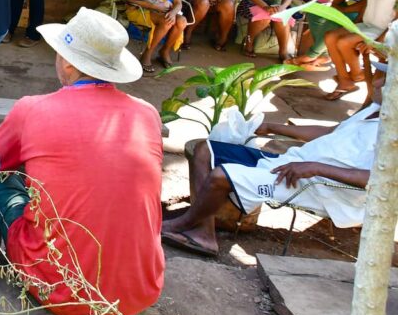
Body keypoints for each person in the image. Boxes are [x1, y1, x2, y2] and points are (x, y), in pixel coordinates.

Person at [0, 8, 163, 315]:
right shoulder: (147, 114)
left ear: (67, 62)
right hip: (139, 291)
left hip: (61, 291)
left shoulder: (32, 110)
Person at [162, 105, 381, 257]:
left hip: (317, 186)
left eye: (386, 76)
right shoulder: (374, 109)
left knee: (220, 176)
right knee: (204, 148)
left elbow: (376, 179)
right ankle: (203, 231)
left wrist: (315, 167)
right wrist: (273, 127)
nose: (378, 81)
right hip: (292, 163)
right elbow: (332, 132)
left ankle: (184, 224)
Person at [322, 0, 398, 100]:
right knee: (330, 37)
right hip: (367, 24)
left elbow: (396, 20)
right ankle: (345, 81)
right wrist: (355, 23)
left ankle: (357, 75)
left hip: (383, 30)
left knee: (344, 42)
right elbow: (367, 3)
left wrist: (382, 39)